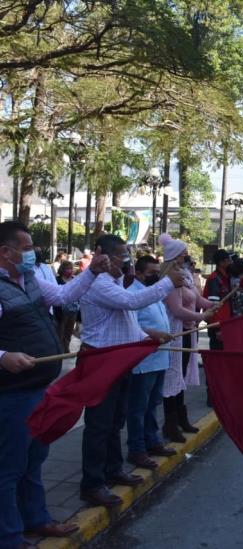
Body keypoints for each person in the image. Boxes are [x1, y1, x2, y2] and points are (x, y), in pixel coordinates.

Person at [0, 221, 110, 548]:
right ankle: (9, 536)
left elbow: (63, 295)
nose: (34, 253)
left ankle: (36, 520)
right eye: (28, 247)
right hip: (12, 394)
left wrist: (91, 274)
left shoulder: (30, 279)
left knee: (34, 460)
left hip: (39, 389)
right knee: (9, 466)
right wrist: (3, 355)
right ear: (6, 252)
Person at [79, 234, 184, 508]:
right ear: (101, 254)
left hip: (119, 361)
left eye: (126, 255)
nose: (125, 261)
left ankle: (113, 470)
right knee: (99, 425)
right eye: (120, 256)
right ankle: (92, 483)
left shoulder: (114, 282)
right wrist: (166, 283)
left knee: (116, 421)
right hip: (100, 362)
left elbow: (126, 321)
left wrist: (149, 336)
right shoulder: (99, 283)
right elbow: (132, 303)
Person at [159, 235, 217, 442]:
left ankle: (181, 419)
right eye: (183, 253)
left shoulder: (185, 275)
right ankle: (170, 424)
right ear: (174, 256)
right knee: (173, 377)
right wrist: (202, 316)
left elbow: (196, 299)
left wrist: (210, 305)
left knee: (180, 377)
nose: (187, 255)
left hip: (188, 332)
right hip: (175, 333)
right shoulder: (170, 280)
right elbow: (176, 309)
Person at [126, 256, 176, 470]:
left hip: (160, 357)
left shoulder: (154, 292)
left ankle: (152, 441)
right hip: (143, 361)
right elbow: (130, 326)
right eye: (151, 272)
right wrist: (153, 334)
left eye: (158, 271)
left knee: (153, 404)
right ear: (138, 273)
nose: (156, 275)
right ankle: (137, 449)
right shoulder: (132, 295)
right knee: (138, 407)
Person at [202, 249, 233, 352]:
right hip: (217, 325)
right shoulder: (214, 279)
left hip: (225, 322)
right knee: (217, 352)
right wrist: (218, 328)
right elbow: (213, 306)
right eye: (228, 260)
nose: (230, 263)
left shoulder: (225, 277)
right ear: (221, 263)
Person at [53, 260, 80, 353]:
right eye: (68, 268)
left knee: (69, 331)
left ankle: (66, 347)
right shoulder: (57, 280)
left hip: (73, 310)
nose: (70, 270)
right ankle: (59, 350)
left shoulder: (74, 279)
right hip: (61, 310)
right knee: (60, 331)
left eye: (71, 268)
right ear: (62, 269)